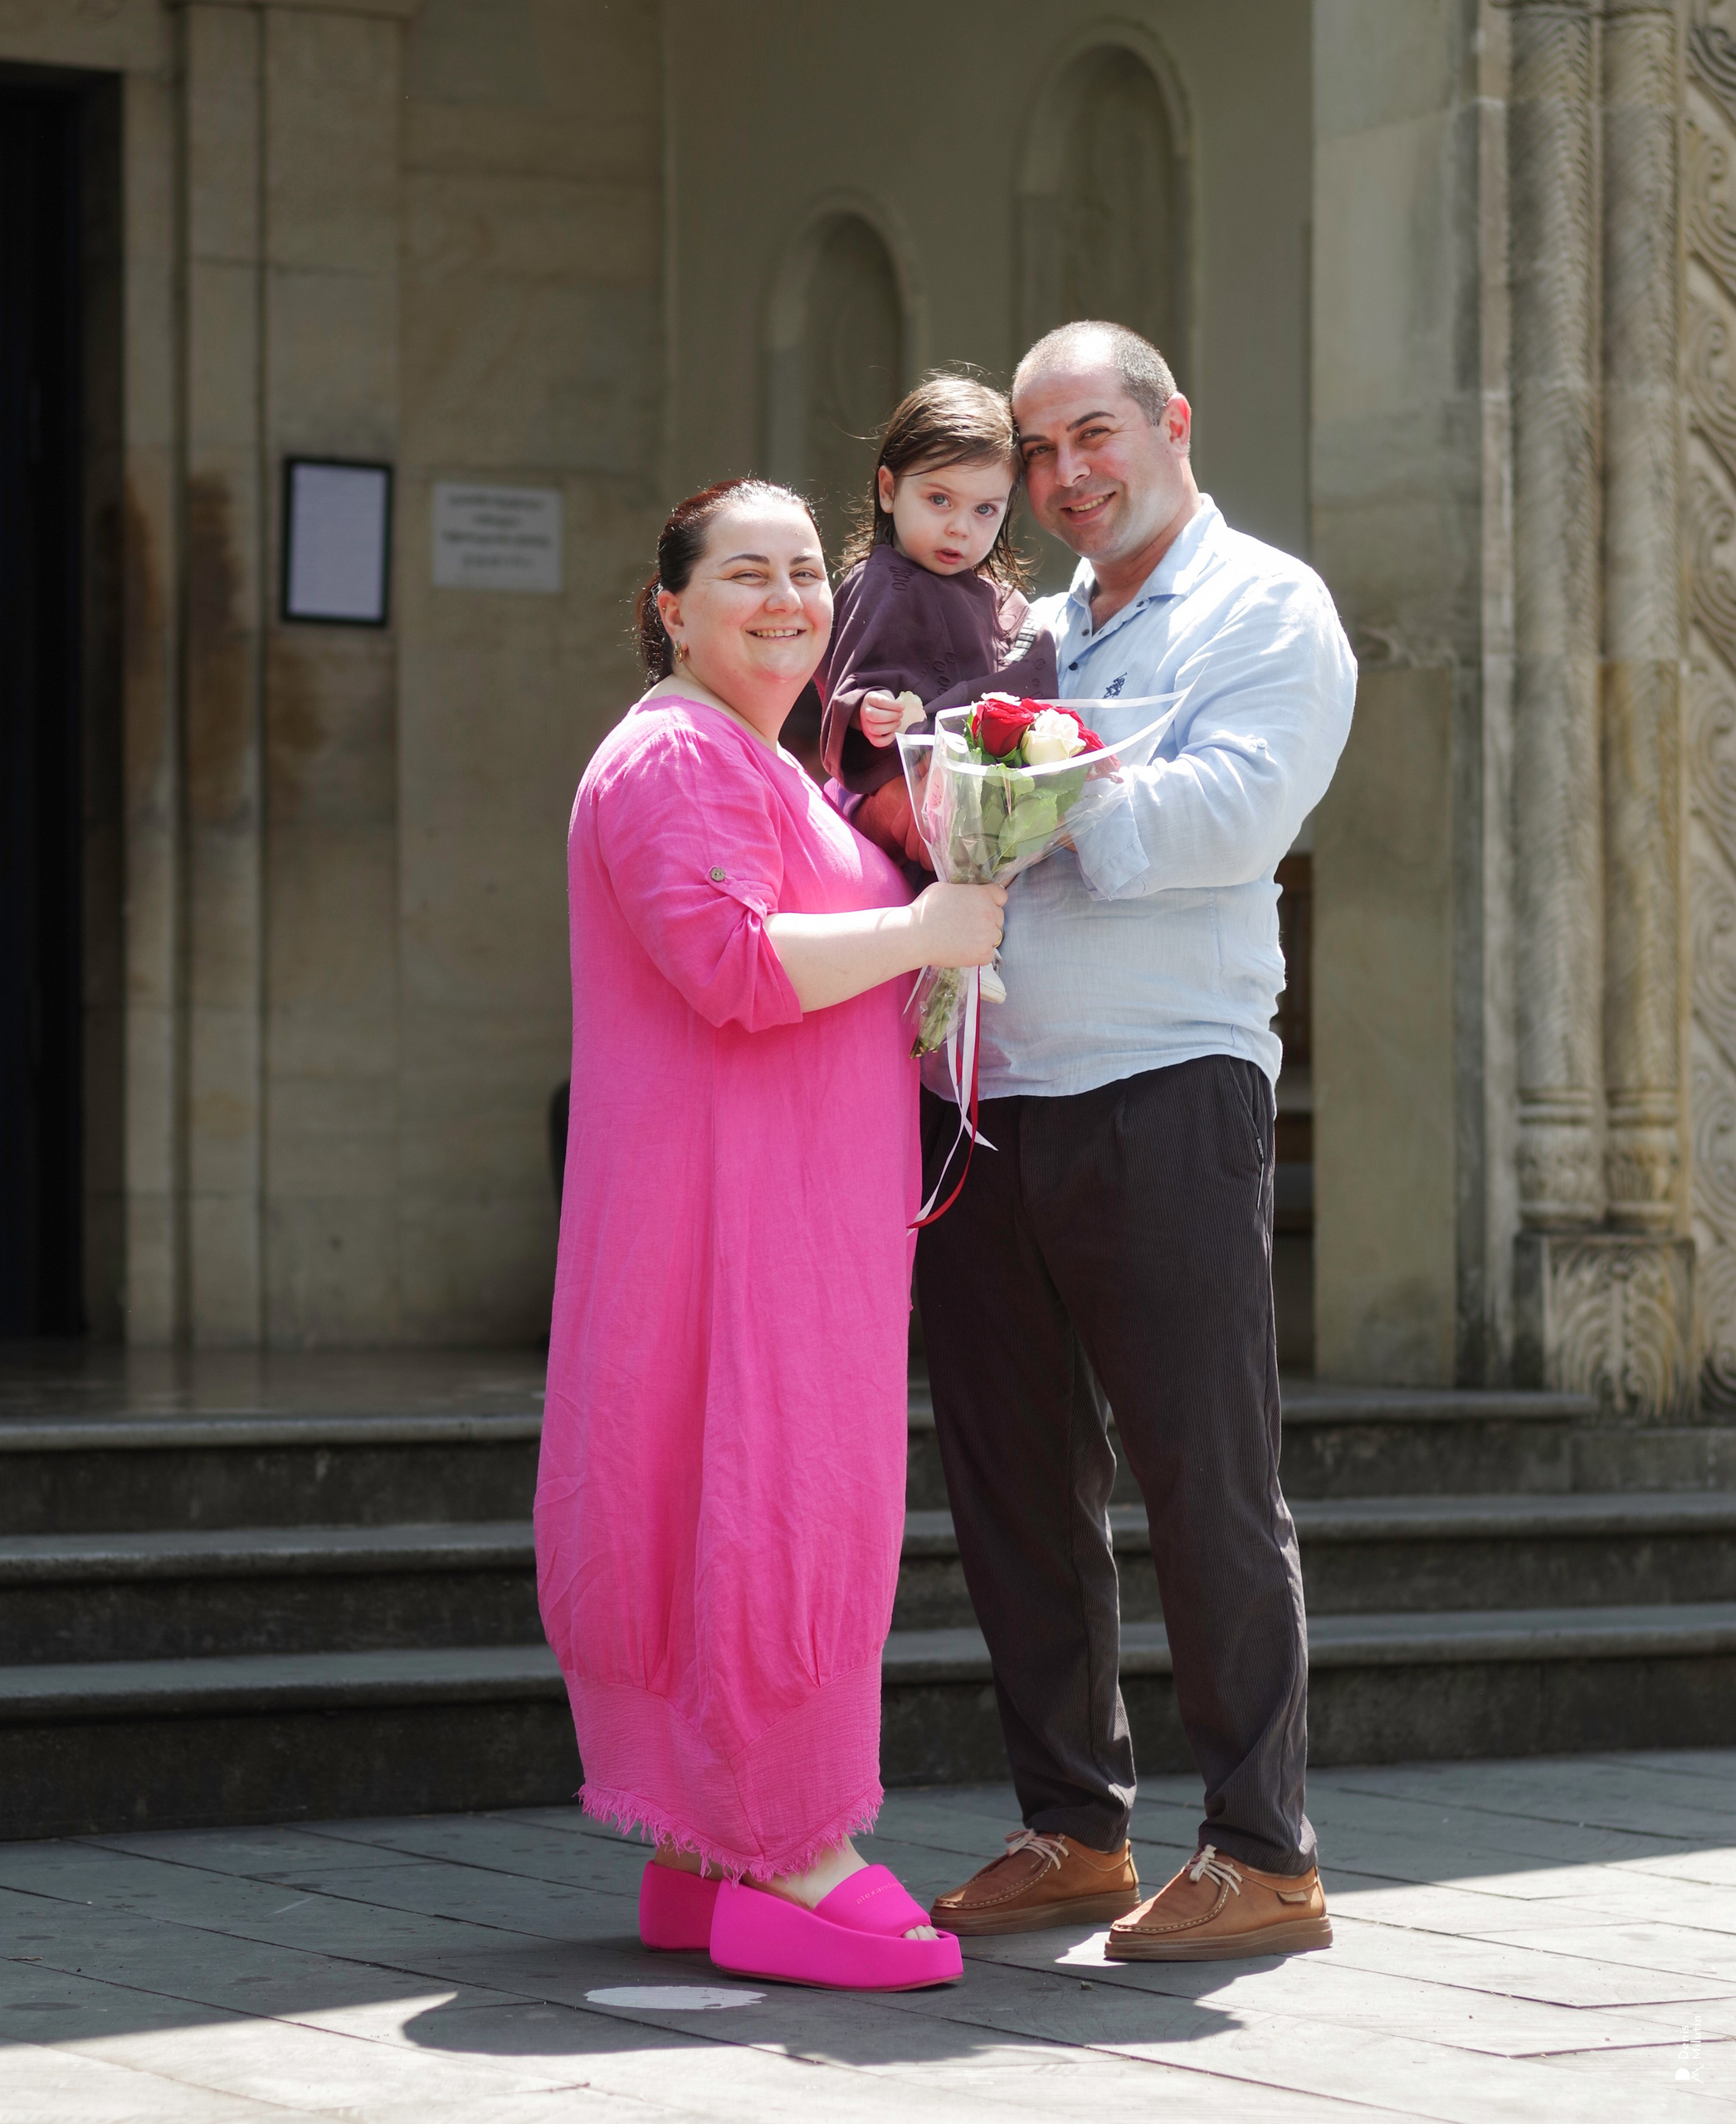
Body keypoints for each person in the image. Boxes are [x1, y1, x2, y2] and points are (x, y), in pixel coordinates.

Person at [919, 322, 1356, 1961]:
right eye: (1035, 453)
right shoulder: (1026, 627)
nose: (1061, 476)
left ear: (1170, 420)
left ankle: (1263, 1848)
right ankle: (1070, 1823)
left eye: (1089, 434)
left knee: (1203, 1477)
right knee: (1012, 1482)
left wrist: (1038, 776)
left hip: (1168, 1078)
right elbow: (958, 823)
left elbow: (1229, 818)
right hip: (993, 1088)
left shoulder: (1267, 606)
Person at [537, 478, 1005, 1991]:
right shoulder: (672, 756)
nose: (789, 598)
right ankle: (795, 1844)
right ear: (669, 606)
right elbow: (729, 963)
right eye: (747, 573)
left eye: (808, 570)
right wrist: (928, 934)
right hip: (735, 1240)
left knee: (777, 1491)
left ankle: (707, 1860)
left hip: (802, 1225)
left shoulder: (772, 763)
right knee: (764, 1492)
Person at [818, 374, 1056, 867]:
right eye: (939, 499)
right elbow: (845, 681)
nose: (959, 527)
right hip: (895, 810)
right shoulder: (877, 582)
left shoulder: (1002, 605)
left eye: (985, 509)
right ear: (889, 489)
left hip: (976, 812)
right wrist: (867, 710)